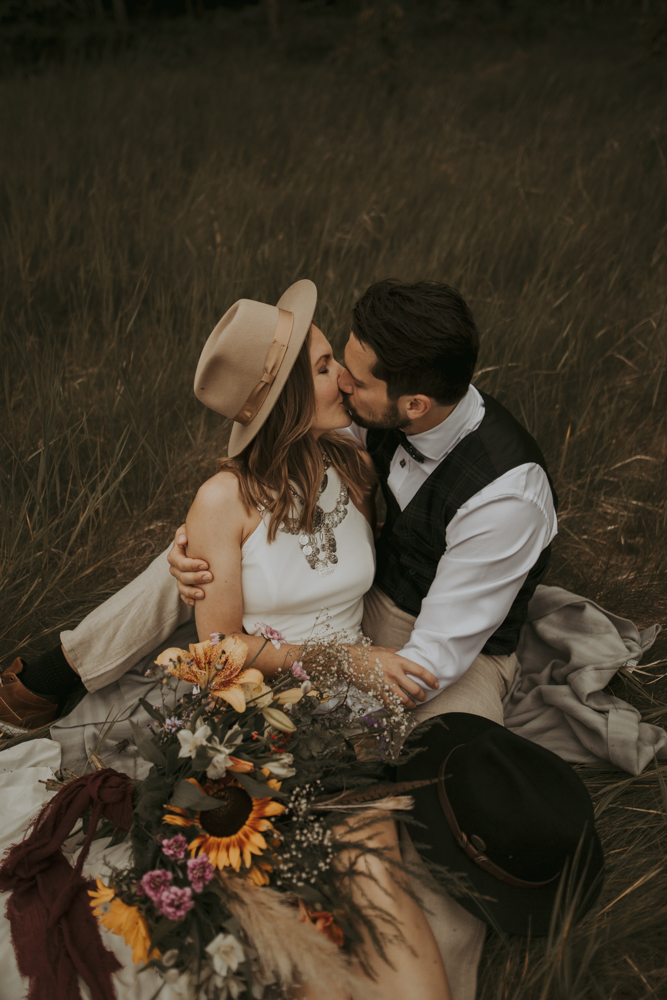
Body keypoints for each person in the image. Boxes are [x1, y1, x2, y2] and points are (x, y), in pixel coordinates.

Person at [1, 279, 450, 1000]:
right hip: (256, 713)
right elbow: (220, 656)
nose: (344, 377)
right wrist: (348, 660)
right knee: (292, 898)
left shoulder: (353, 465)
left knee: (375, 878)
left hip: (355, 713)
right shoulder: (223, 501)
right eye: (325, 365)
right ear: (281, 401)